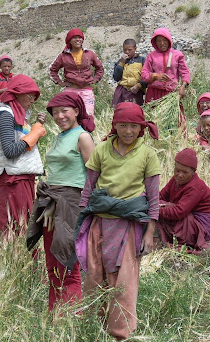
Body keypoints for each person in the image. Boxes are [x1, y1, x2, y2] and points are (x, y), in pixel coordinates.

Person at [75, 102, 160, 340]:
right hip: (99, 224)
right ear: (115, 126)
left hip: (128, 227)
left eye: (133, 126)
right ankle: (93, 327)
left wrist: (149, 231)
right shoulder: (102, 150)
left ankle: (121, 333)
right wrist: (82, 220)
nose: (128, 131)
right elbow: (88, 188)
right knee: (94, 277)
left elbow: (154, 197)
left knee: (124, 282)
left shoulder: (147, 154)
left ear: (141, 128)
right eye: (123, 125)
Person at [27, 92, 95, 312]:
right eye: (55, 113)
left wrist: (83, 207)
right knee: (52, 262)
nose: (59, 116)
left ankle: (71, 317)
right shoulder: (58, 137)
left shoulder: (82, 137)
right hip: (51, 202)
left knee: (67, 263)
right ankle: (54, 314)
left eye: (64, 111)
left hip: (71, 204)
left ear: (76, 111)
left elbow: (94, 176)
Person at [0, 74, 47, 246]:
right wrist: (34, 134)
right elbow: (10, 150)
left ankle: (16, 264)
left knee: (19, 225)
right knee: (12, 225)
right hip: (13, 180)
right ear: (17, 93)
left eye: (34, 97)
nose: (32, 100)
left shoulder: (15, 114)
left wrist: (35, 127)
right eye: (29, 95)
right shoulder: (5, 115)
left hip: (19, 177)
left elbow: (22, 145)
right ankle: (7, 263)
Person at [157, 148, 210, 252]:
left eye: (185, 172)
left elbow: (179, 212)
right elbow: (161, 196)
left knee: (165, 208)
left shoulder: (195, 187)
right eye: (177, 170)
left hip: (200, 224)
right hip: (187, 216)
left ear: (193, 172)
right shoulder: (175, 180)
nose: (180, 175)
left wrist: (153, 210)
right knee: (160, 204)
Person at [49, 28, 104, 116]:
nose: (77, 39)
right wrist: (59, 82)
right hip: (70, 91)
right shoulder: (63, 56)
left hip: (87, 91)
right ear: (69, 40)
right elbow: (52, 70)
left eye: (79, 37)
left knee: (88, 116)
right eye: (74, 37)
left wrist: (95, 79)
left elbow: (100, 68)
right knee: (70, 116)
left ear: (82, 39)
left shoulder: (89, 54)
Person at [140, 27, 190, 103]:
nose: (162, 43)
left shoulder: (177, 55)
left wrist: (183, 86)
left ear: (169, 40)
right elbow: (144, 74)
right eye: (159, 41)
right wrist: (155, 76)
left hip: (172, 93)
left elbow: (185, 72)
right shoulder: (151, 56)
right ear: (155, 42)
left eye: (164, 40)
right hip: (154, 94)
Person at [111, 38, 147, 106]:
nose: (127, 52)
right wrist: (122, 63)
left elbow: (147, 76)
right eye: (125, 50)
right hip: (121, 91)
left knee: (133, 112)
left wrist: (139, 85)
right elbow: (116, 77)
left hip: (136, 91)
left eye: (130, 50)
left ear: (135, 49)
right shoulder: (120, 61)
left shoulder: (142, 60)